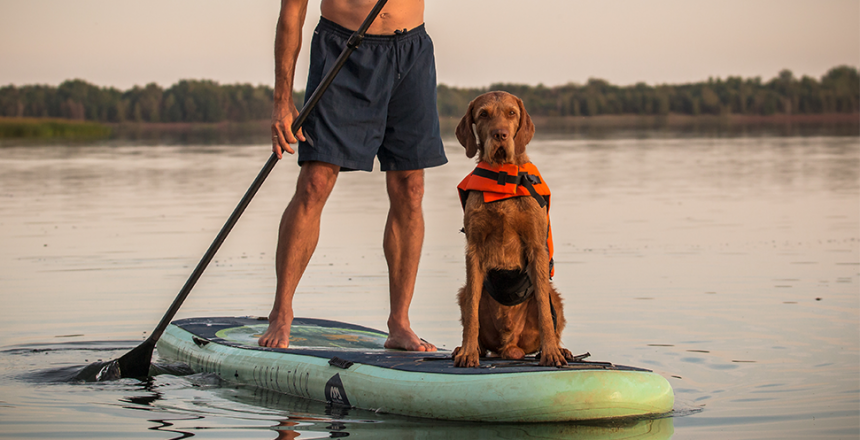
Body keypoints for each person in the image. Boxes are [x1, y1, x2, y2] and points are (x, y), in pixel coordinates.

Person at [259, 0, 446, 351]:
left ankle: (399, 322)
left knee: (412, 188)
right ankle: (281, 313)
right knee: (315, 183)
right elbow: (291, 14)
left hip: (411, 52)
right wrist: (282, 101)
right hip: (343, 49)